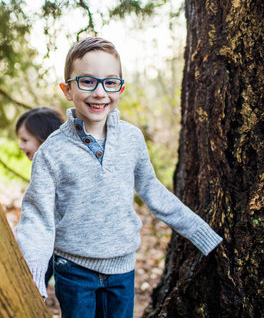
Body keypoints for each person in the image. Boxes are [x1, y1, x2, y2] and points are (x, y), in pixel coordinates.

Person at [16, 37, 223, 318]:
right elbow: (37, 218)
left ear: (120, 88)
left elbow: (152, 190)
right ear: (67, 89)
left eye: (110, 82)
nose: (100, 92)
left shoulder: (132, 139)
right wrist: (36, 272)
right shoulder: (52, 151)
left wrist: (200, 232)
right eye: (87, 81)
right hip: (74, 270)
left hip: (122, 269)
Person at [15, 107, 63, 289]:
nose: (21, 146)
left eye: (25, 140)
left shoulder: (59, 169)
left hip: (57, 246)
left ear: (44, 139)